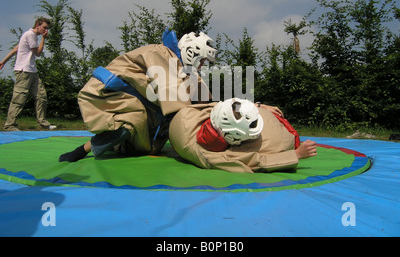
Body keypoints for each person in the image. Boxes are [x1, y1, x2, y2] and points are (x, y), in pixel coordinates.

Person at [59, 29, 217, 162]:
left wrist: (218, 111)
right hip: (104, 95)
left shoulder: (183, 68)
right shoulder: (161, 55)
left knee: (151, 145)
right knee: (133, 121)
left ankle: (120, 145)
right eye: (202, 60)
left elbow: (203, 97)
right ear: (192, 52)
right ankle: (86, 148)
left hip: (129, 99)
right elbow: (176, 100)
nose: (202, 64)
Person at [169, 98, 318, 173]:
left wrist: (259, 106)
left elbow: (230, 105)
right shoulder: (214, 157)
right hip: (284, 138)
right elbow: (257, 161)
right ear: (235, 139)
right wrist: (296, 155)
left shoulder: (189, 115)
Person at [0, 17, 56, 131]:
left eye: (47, 29)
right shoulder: (30, 35)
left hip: (32, 71)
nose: (45, 31)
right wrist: (43, 39)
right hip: (24, 71)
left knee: (41, 96)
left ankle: (42, 123)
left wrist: (3, 62)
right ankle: (9, 125)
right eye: (44, 28)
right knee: (19, 98)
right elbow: (38, 53)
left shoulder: (30, 36)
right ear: (37, 25)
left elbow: (15, 49)